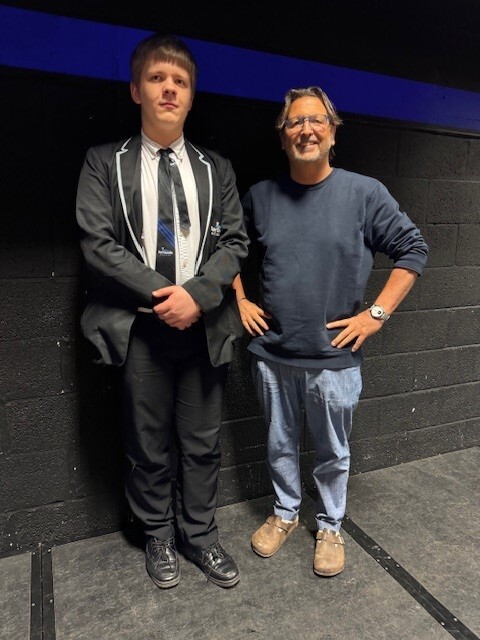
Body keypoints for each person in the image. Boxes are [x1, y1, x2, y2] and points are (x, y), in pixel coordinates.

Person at [232, 86, 428, 577]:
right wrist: (239, 299)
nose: (306, 130)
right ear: (283, 137)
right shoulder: (261, 196)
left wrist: (376, 315)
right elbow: (227, 248)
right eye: (295, 123)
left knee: (333, 452)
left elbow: (413, 249)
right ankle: (285, 514)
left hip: (334, 359)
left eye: (316, 120)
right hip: (273, 355)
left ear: (333, 132)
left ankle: (330, 525)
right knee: (278, 445)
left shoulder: (364, 194)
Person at [76, 33, 249, 589]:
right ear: (136, 91)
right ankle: (157, 534)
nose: (169, 89)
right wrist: (165, 295)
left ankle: (200, 535)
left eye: (180, 82)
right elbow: (97, 243)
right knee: (147, 444)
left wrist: (196, 296)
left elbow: (236, 244)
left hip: (203, 328)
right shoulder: (104, 162)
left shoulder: (217, 168)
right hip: (141, 330)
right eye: (157, 79)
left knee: (202, 442)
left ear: (191, 97)